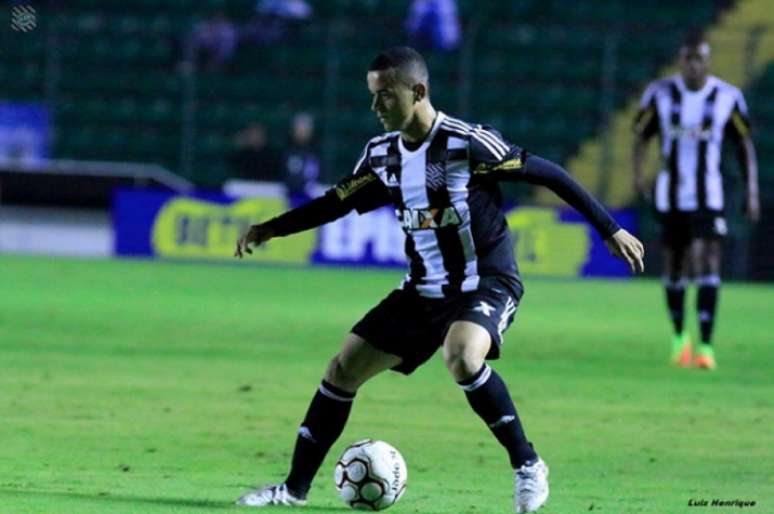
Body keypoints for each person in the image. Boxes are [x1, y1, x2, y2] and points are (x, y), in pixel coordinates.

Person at [235, 47, 644, 513]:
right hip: (422, 289)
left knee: (462, 355)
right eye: (372, 97)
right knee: (342, 368)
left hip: (486, 281)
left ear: (419, 91)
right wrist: (272, 228)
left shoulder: (466, 144)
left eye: (385, 96)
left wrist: (609, 228)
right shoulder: (381, 155)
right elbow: (337, 202)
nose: (375, 108)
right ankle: (293, 490)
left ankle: (528, 465)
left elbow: (548, 173)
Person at [632, 34, 760, 370]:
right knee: (674, 266)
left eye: (699, 59)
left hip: (709, 196)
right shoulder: (659, 94)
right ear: (681, 61)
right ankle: (679, 338)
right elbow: (641, 137)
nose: (693, 65)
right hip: (670, 195)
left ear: (709, 62)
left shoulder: (727, 97)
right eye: (688, 59)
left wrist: (752, 191)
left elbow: (744, 146)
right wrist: (639, 175)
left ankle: (705, 345)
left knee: (707, 261)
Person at [282, 112, 321, 202]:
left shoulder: (316, 152)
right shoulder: (286, 150)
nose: (302, 133)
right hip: (290, 196)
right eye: (299, 130)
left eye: (305, 130)